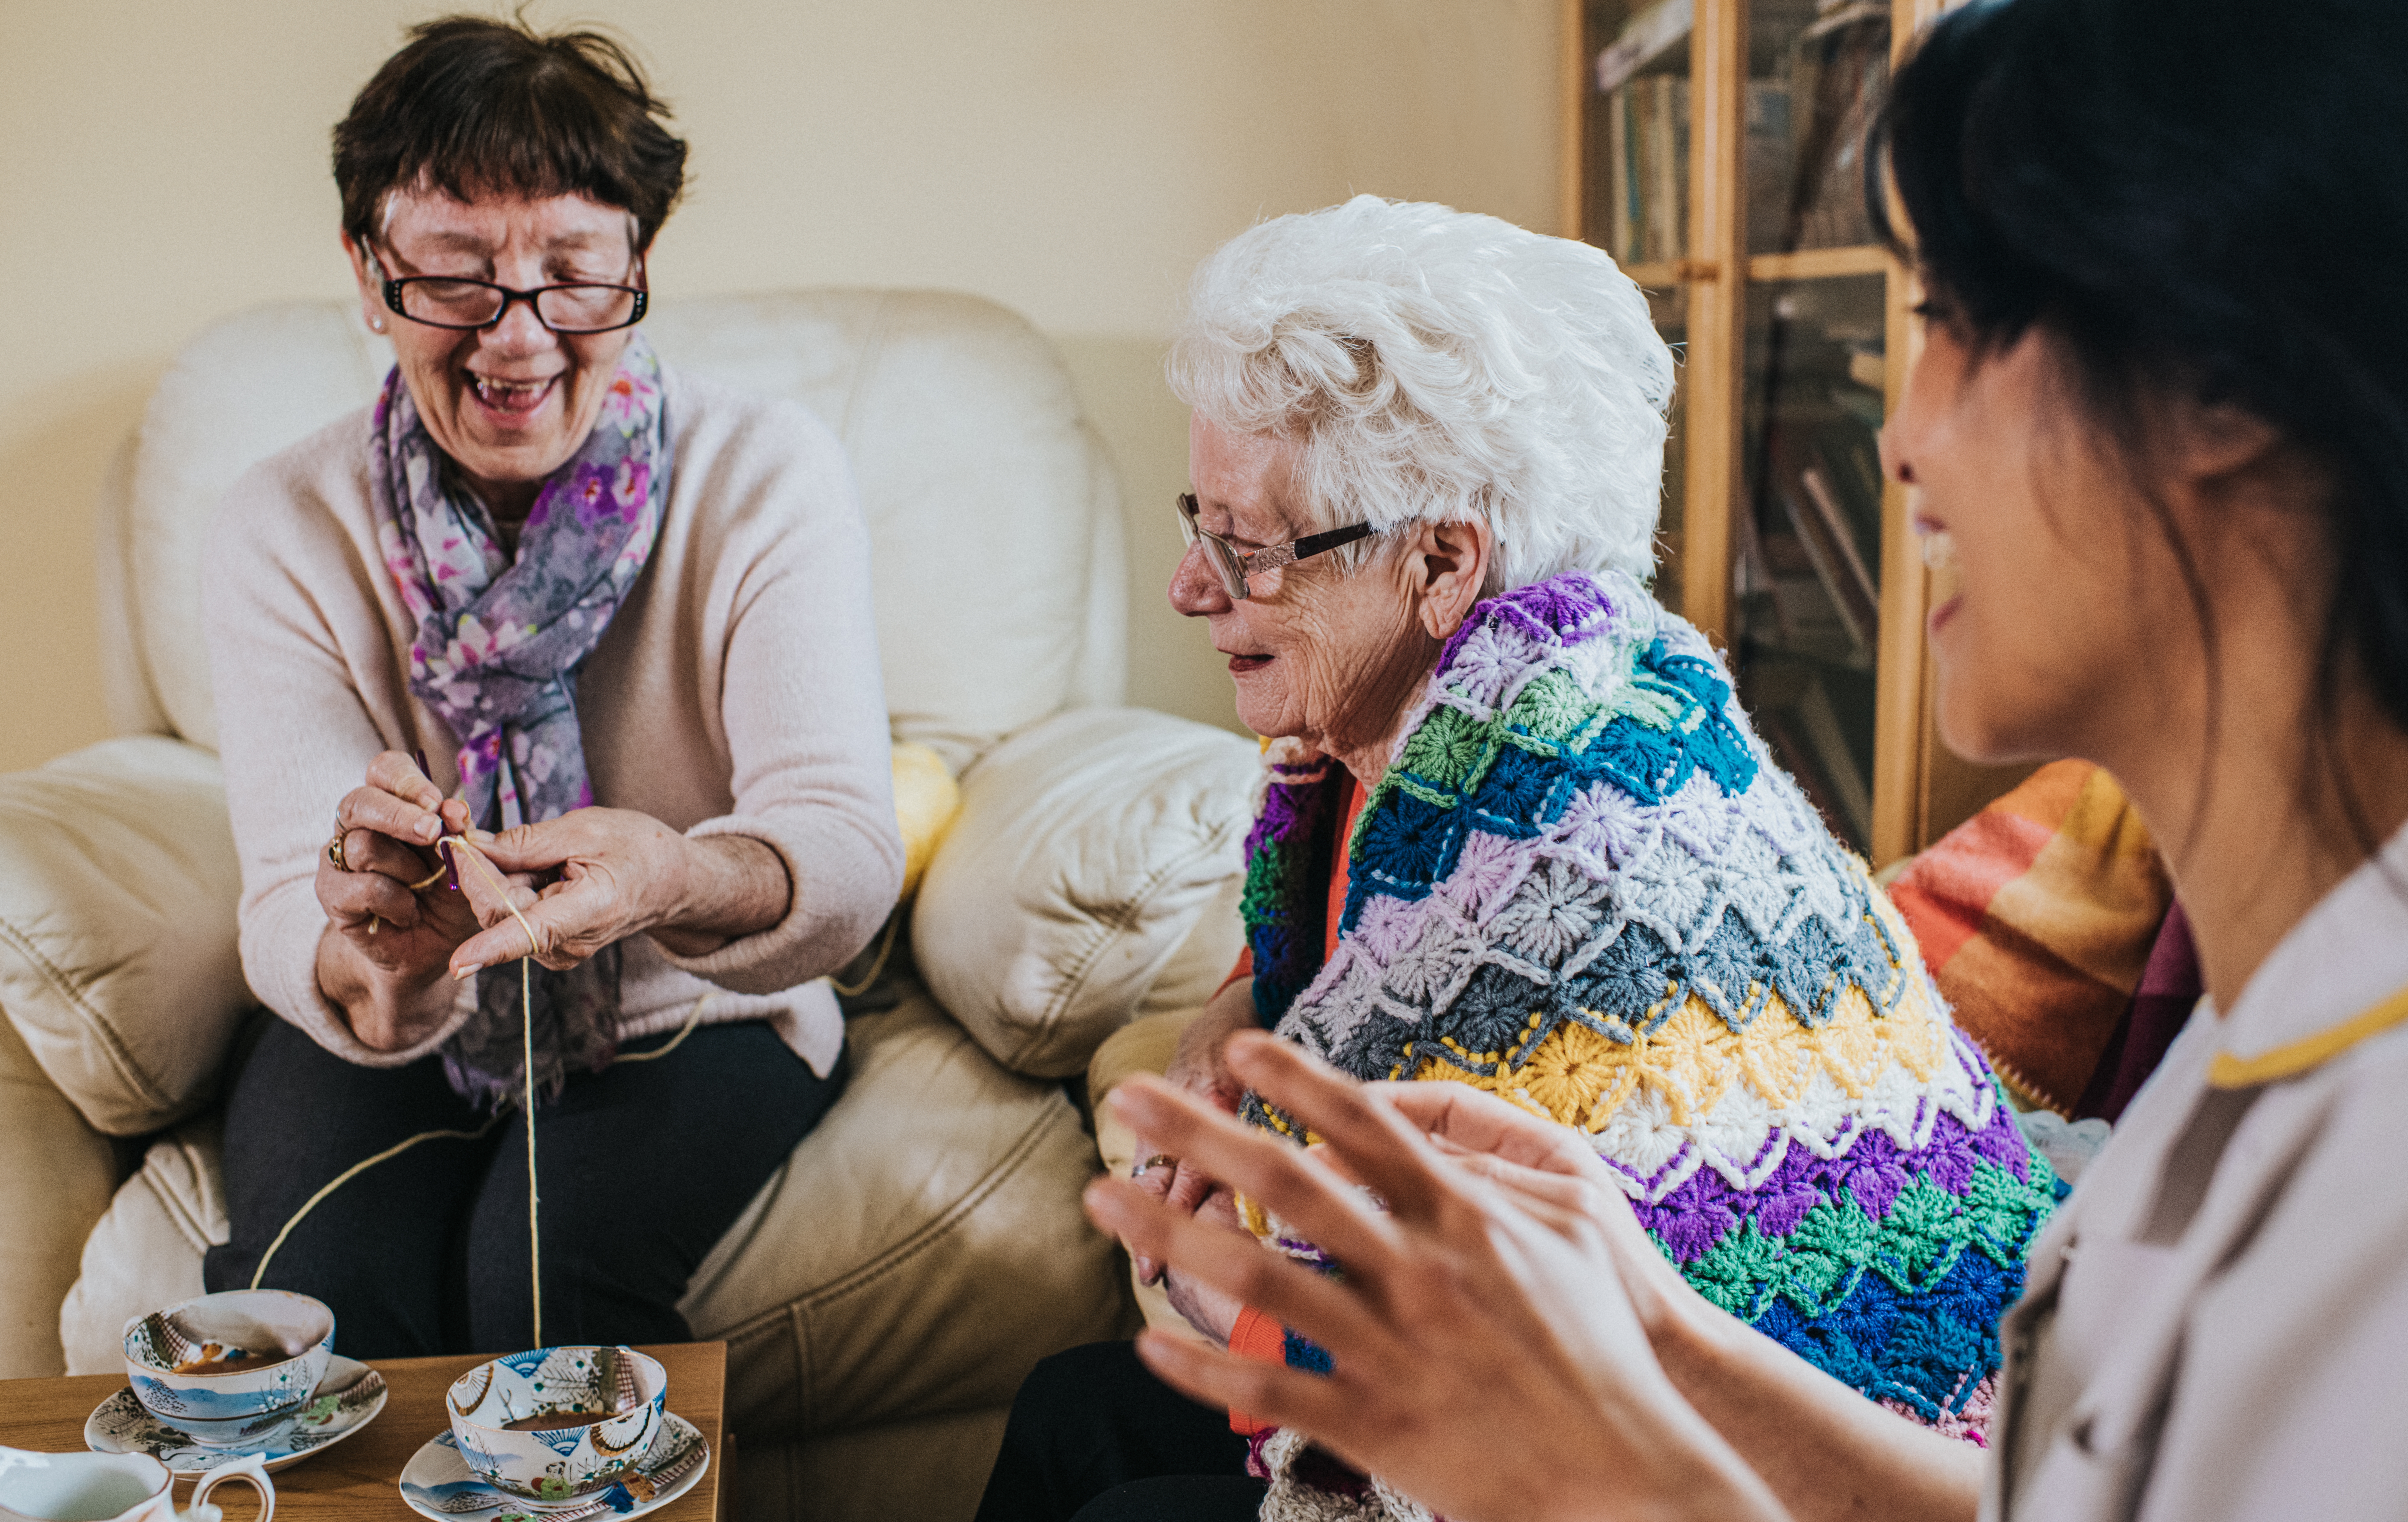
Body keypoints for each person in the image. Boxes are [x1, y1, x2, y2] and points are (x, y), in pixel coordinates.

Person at [1088, 0, 2408, 1517]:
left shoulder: (2359, 1181)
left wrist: (1632, 1442)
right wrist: (1648, 1332)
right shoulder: (2274, 1033)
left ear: (2225, 380)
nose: (1898, 438)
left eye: (1960, 321)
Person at [979, 196, 2058, 1522]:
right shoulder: (1381, 749)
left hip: (1705, 1472)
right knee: (1065, 1409)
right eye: (1197, 526)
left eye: (1245, 549)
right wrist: (1230, 1020)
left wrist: (1230, 1299)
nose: (1189, 588)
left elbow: (1497, 1382)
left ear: (1441, 560)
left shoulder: (1572, 833)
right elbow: (1329, 969)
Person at [200, 17, 901, 1357]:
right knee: (304, 1319)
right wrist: (380, 954)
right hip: (405, 1022)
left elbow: (845, 844)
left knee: (539, 1294)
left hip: (692, 1002)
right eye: (454, 278)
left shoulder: (767, 473)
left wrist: (676, 876)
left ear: (639, 267)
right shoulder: (280, 522)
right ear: (367, 273)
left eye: (574, 275)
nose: (518, 341)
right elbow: (290, 889)